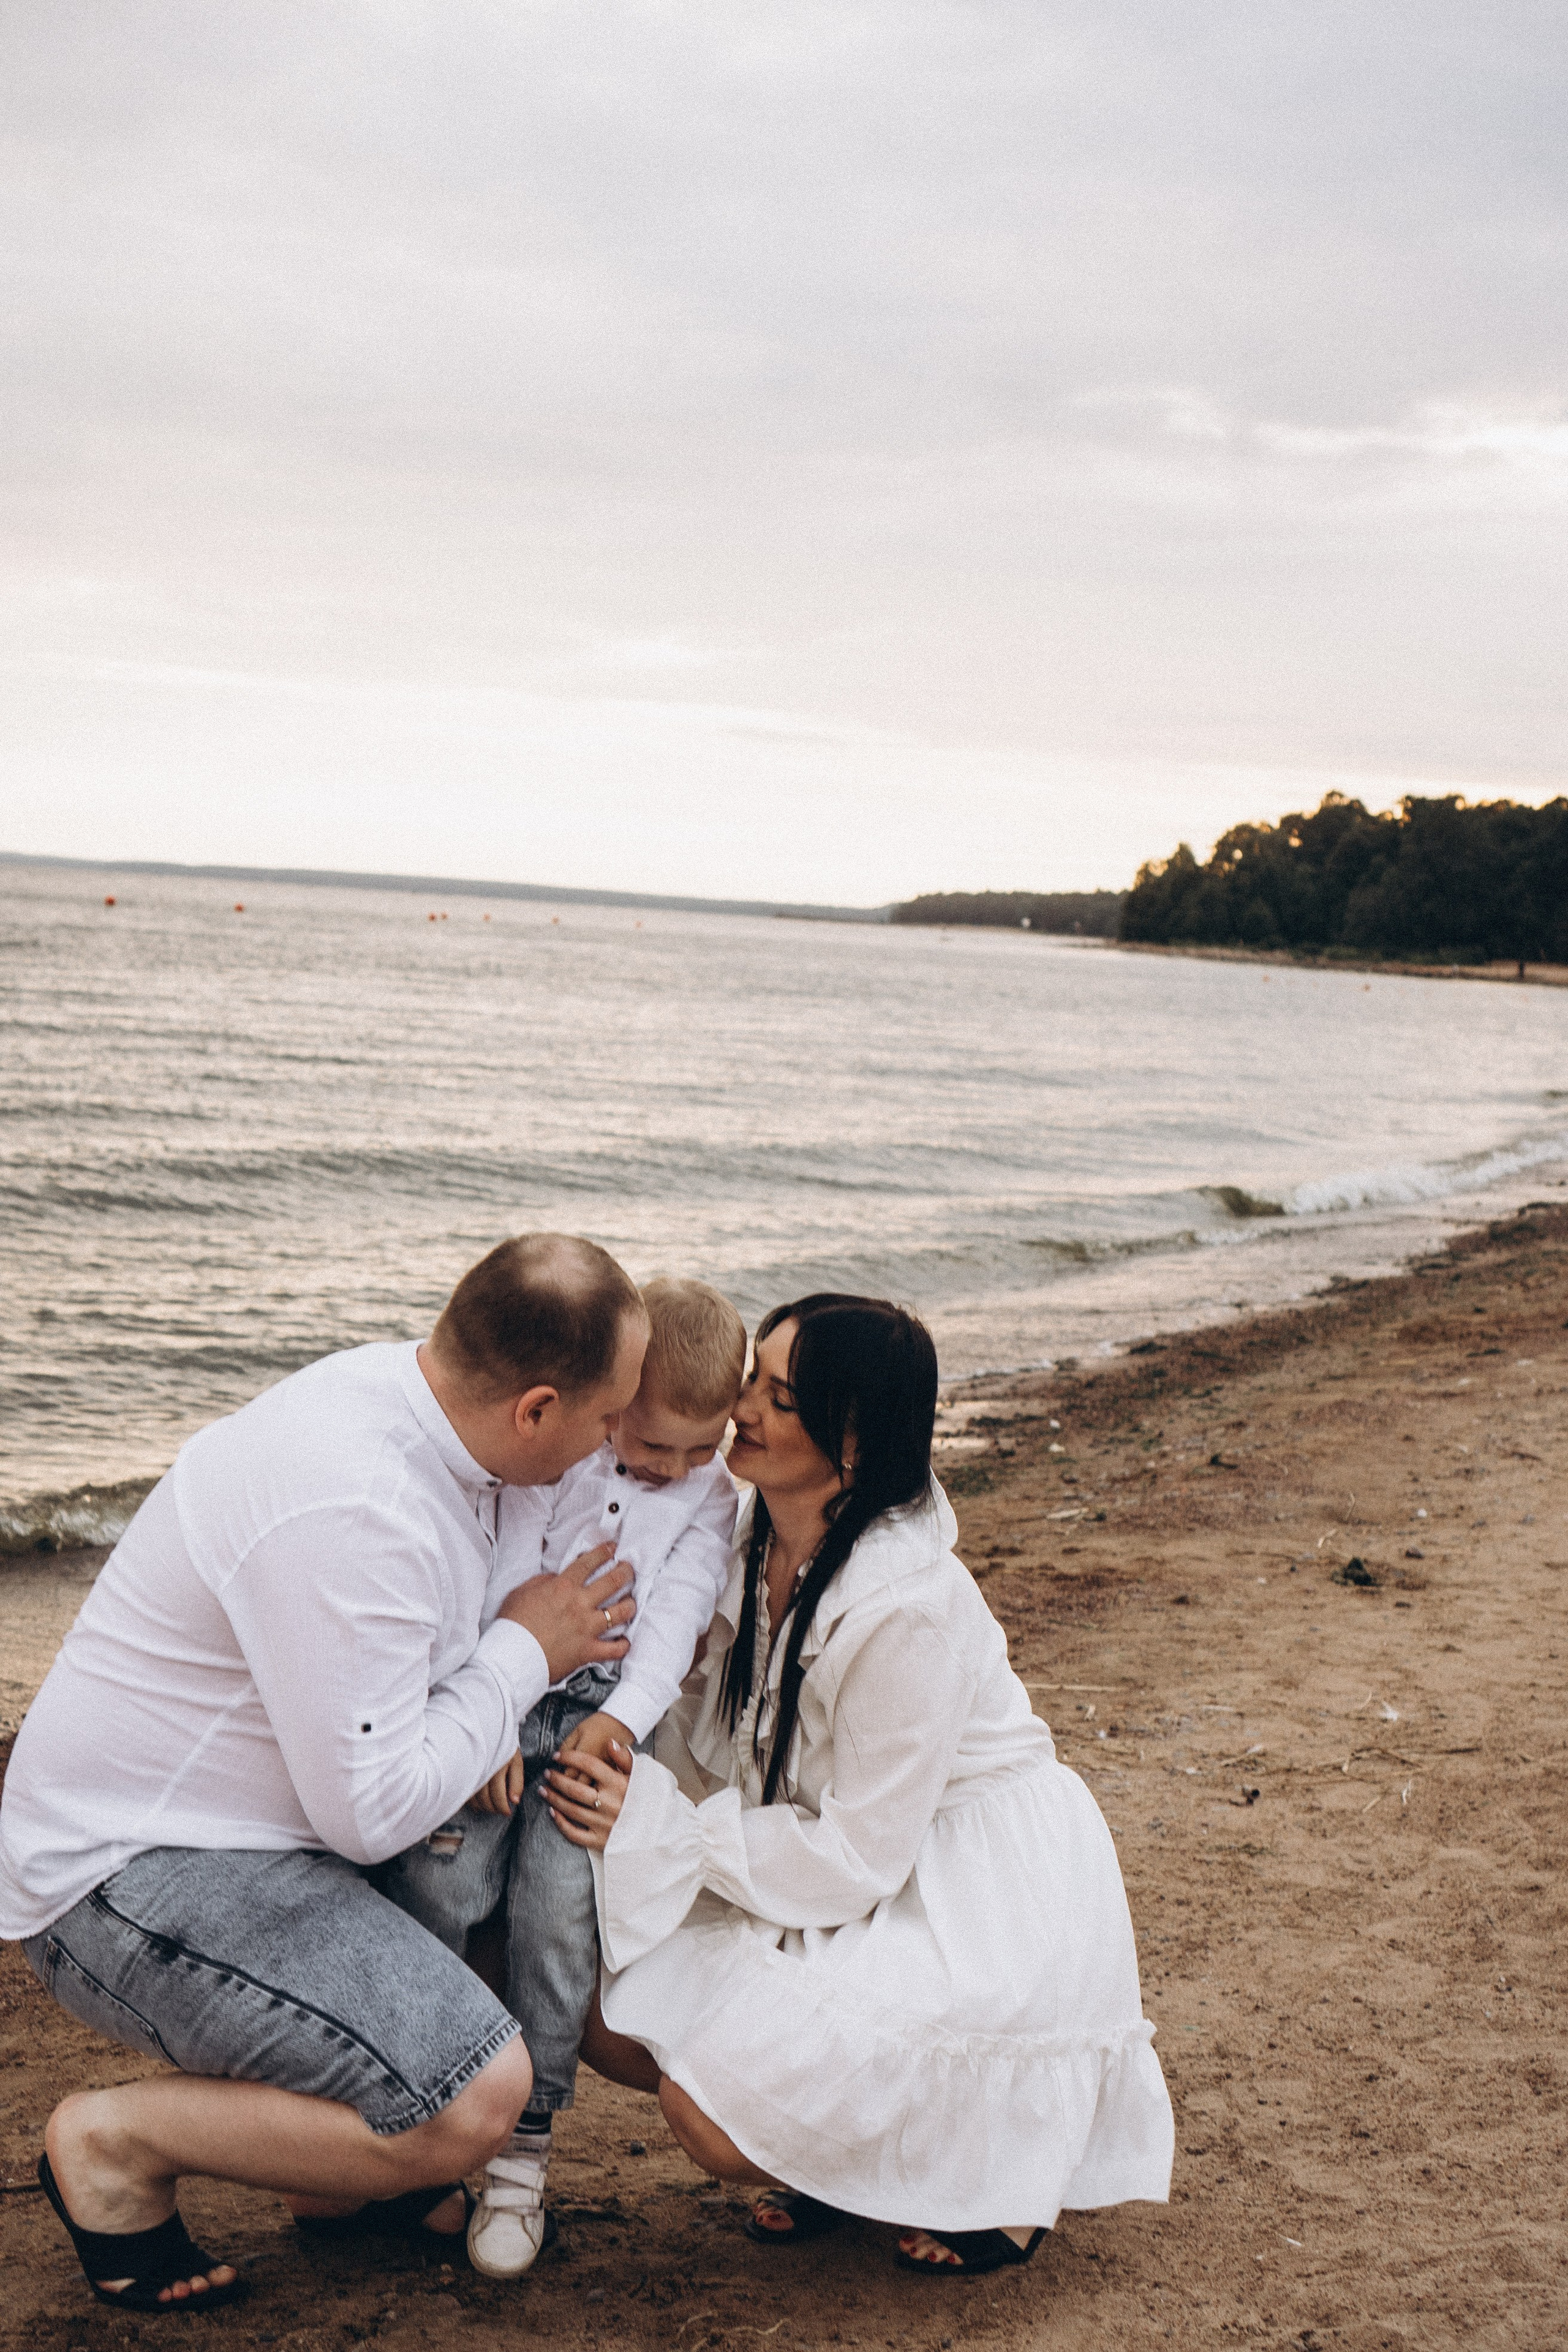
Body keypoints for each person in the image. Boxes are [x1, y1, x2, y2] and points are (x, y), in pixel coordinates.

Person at [0, 1234, 648, 2315]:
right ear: (535, 1409)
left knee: (493, 1930)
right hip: (129, 1875)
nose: (614, 1440)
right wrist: (529, 1650)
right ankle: (111, 2146)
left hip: (256, 1836)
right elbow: (375, 1811)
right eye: (606, 1416)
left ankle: (341, 2184)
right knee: (475, 2092)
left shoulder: (419, 1411)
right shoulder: (361, 1507)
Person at [546, 1294, 1174, 2277]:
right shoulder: (754, 1525)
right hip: (840, 1845)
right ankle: (845, 2169)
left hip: (969, 1887)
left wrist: (664, 1828)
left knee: (709, 2118)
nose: (742, 1409)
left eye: (779, 1398)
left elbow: (858, 1856)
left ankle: (994, 2181)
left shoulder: (907, 1603)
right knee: (601, 2008)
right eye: (754, 1377)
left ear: (848, 1440)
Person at [385, 1276, 745, 2277]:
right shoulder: (559, 1462)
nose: (672, 1469)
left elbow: (674, 1620)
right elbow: (498, 1567)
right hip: (503, 1695)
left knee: (555, 1916)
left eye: (700, 1449)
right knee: (446, 1884)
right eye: (652, 1442)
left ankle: (523, 2157)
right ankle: (421, 2107)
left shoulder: (709, 1502)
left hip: (595, 1723)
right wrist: (489, 1705)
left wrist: (623, 1722)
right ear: (614, 1398)